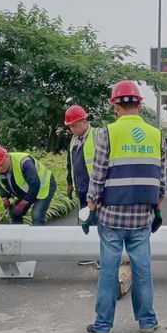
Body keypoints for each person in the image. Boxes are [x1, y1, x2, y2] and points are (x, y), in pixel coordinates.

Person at [85, 81, 165, 333]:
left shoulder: (107, 133)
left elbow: (98, 174)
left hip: (111, 215)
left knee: (109, 271)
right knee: (142, 269)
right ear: (139, 104)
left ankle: (102, 327)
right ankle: (147, 322)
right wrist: (158, 209)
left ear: (116, 106)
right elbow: (161, 177)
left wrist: (91, 207)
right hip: (142, 215)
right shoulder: (156, 134)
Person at [65, 105, 100, 266]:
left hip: (95, 188)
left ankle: (100, 255)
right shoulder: (74, 140)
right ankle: (88, 252)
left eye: (75, 125)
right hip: (81, 188)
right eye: (70, 126)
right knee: (85, 220)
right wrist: (70, 183)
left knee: (98, 220)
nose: (72, 129)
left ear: (84, 121)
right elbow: (70, 164)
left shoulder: (97, 135)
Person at [0, 145, 56, 226]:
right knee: (15, 213)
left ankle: (39, 234)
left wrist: (24, 202)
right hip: (28, 190)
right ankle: (17, 233)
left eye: (1, 164)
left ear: (7, 157)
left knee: (37, 215)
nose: (0, 168)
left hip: (44, 186)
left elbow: (35, 184)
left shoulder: (24, 162)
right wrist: (5, 197)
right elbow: (0, 184)